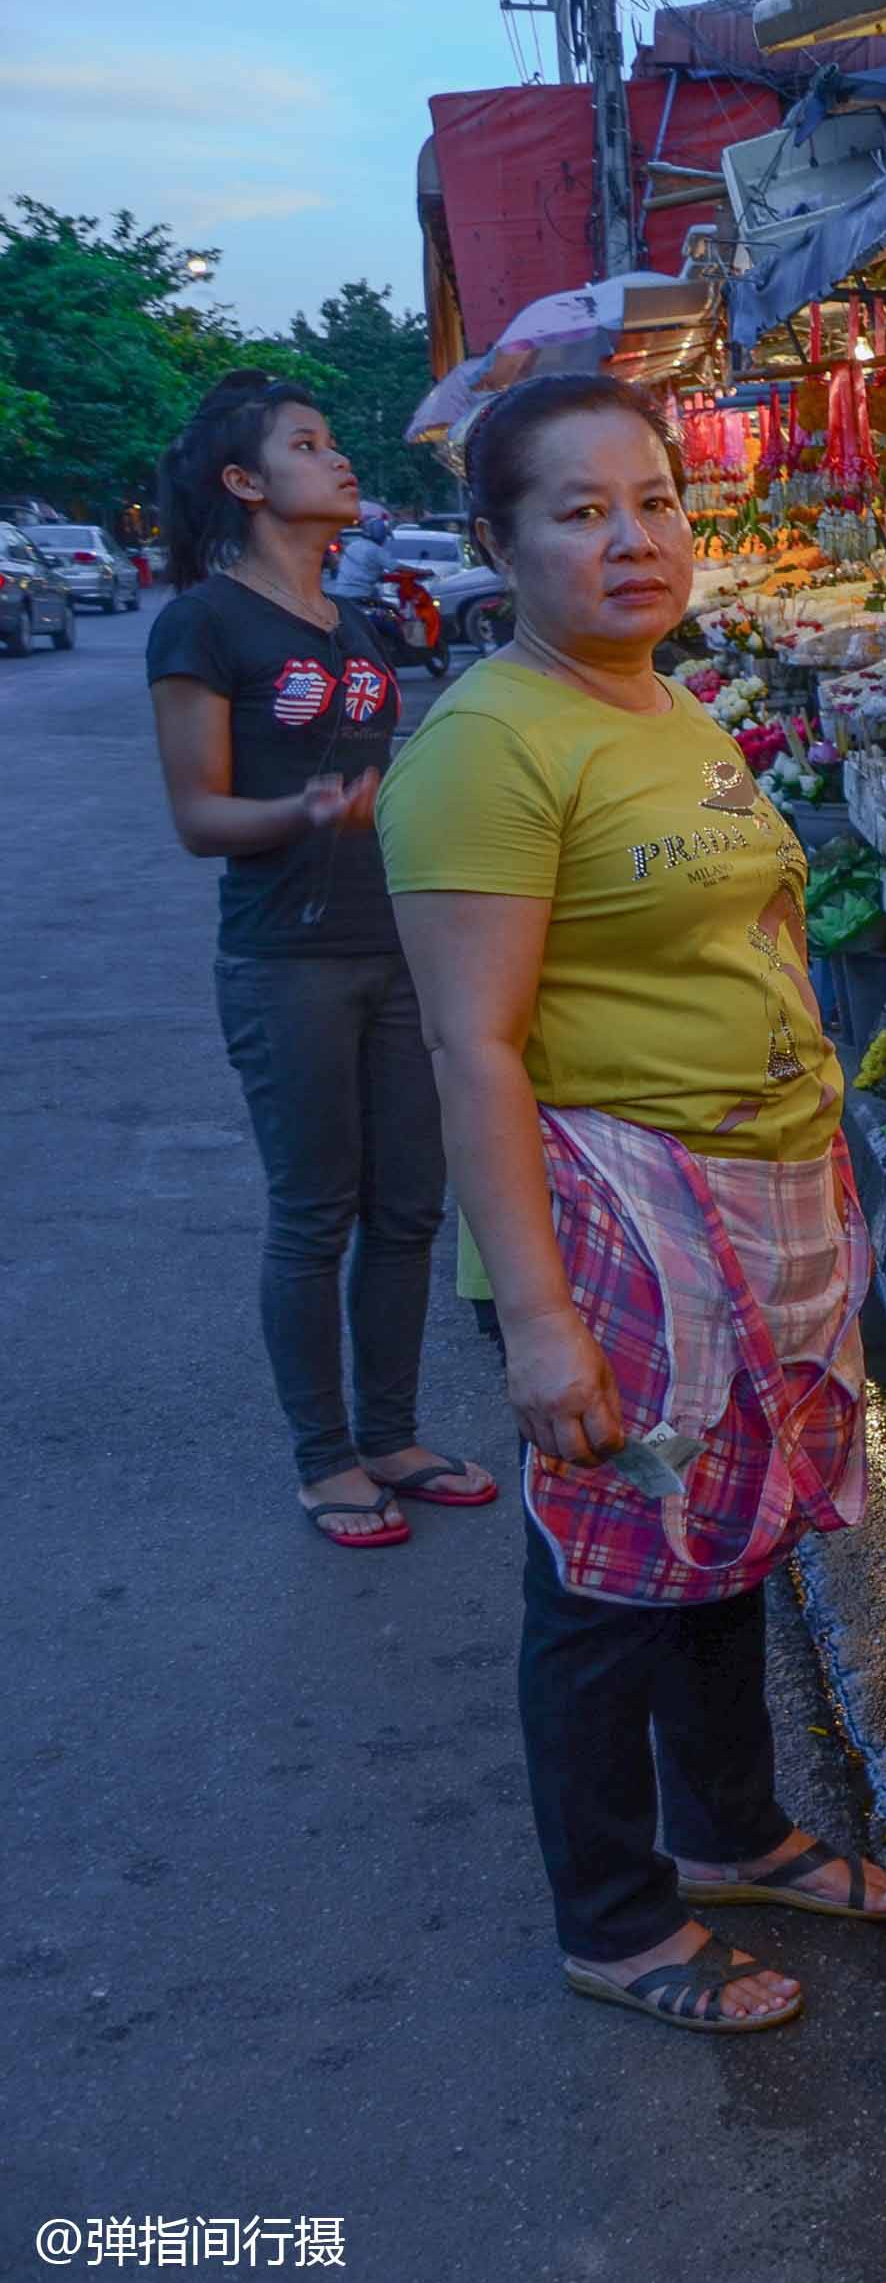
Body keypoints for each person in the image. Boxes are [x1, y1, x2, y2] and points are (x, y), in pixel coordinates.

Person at [380, 375, 886, 2036]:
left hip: (736, 1208)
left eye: (656, 500)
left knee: (721, 1536)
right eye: (581, 511)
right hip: (605, 1228)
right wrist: (537, 1322)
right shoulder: (486, 746)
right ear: (498, 543)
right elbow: (473, 1050)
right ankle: (612, 1915)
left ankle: (726, 1827)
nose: (633, 539)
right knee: (608, 1578)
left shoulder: (662, 707)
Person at [146, 371, 493, 1548]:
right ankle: (325, 1458)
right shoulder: (202, 623)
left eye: (334, 442)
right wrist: (309, 811)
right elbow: (199, 816)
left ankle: (391, 1434)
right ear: (246, 483)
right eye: (309, 445)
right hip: (286, 961)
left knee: (410, 1207)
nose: (339, 460)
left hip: (402, 951)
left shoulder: (352, 624)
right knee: (314, 1216)